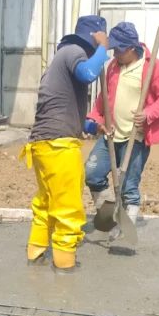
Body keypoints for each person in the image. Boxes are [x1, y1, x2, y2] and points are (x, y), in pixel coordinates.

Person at [22, 15, 109, 271]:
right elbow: (89, 73)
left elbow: (62, 108)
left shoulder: (59, 61)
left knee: (46, 204)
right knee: (68, 209)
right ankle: (65, 268)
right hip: (59, 147)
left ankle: (35, 254)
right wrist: (103, 48)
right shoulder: (74, 52)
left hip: (42, 145)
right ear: (92, 40)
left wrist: (92, 126)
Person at [84, 21, 159, 222]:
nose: (114, 54)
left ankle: (127, 226)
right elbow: (104, 98)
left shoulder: (153, 68)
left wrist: (148, 114)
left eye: (119, 49)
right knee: (92, 173)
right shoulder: (114, 67)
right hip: (110, 134)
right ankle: (108, 216)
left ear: (132, 48)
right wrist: (93, 118)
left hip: (135, 137)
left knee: (127, 186)